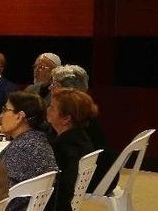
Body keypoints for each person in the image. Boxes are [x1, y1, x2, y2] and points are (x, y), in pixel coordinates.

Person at [47, 65, 118, 196]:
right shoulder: (82, 111)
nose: (50, 88)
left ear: (70, 90)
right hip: (100, 173)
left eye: (54, 84)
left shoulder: (75, 128)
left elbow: (64, 168)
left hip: (94, 178)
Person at [40, 88, 98, 211]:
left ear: (66, 119)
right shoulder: (81, 138)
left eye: (52, 107)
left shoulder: (66, 147)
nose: (47, 109)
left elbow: (65, 183)